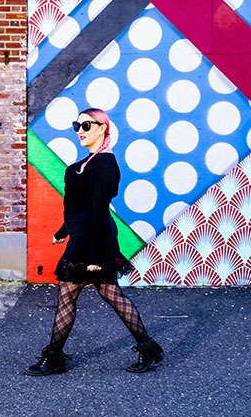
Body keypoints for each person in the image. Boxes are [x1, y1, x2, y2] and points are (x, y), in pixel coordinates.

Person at [24, 108, 163, 376]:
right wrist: (64, 229)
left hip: (92, 240)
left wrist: (98, 258)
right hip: (83, 235)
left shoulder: (103, 165)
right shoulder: (88, 164)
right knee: (111, 294)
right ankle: (149, 349)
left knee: (68, 294)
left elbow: (99, 210)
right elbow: (82, 205)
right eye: (77, 125)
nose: (80, 131)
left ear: (103, 128)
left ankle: (54, 357)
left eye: (86, 125)